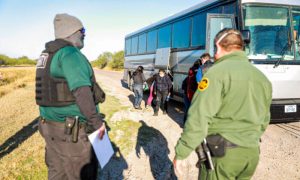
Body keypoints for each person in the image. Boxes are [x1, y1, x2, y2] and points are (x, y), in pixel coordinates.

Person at [173, 28, 272, 180]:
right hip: (251, 154)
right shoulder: (261, 78)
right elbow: (264, 120)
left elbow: (199, 117)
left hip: (223, 155)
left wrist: (182, 152)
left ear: (218, 46)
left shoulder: (215, 74)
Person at [36, 13, 106, 180]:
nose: (84, 34)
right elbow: (81, 92)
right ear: (72, 32)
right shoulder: (70, 54)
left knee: (57, 173)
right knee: (81, 174)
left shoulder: (46, 55)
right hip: (71, 133)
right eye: (83, 30)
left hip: (50, 128)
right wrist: (98, 124)